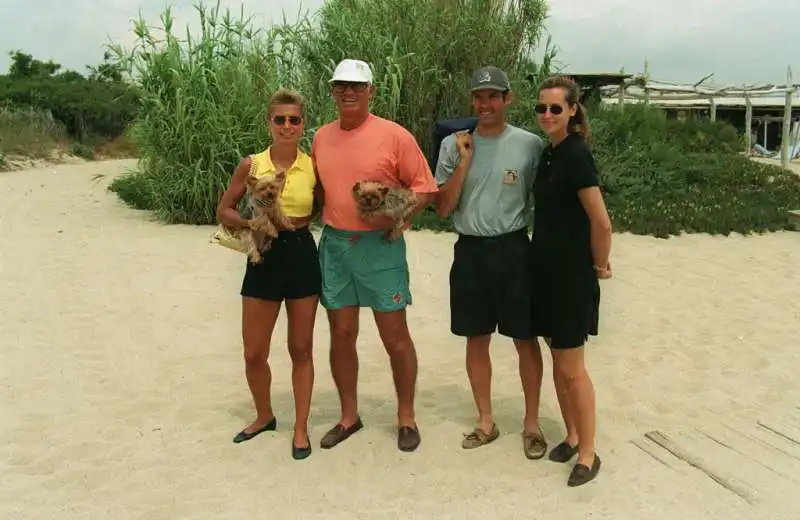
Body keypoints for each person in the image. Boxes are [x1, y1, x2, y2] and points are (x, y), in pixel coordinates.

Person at [311, 58, 438, 452]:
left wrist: (399, 223)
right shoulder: (320, 137)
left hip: (380, 250)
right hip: (335, 246)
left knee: (395, 336)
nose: (349, 92)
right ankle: (349, 417)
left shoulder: (395, 136)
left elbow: (426, 189)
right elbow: (318, 192)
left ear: (371, 91)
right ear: (332, 91)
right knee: (342, 334)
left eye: (357, 86)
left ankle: (406, 418)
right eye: (341, 86)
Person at [433, 66, 547, 459]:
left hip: (515, 249)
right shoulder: (453, 144)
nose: (485, 104)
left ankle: (531, 425)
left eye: (493, 96)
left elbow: (547, 200)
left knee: (525, 339)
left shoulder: (531, 144)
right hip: (470, 250)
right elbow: (444, 208)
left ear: (507, 99)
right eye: (479, 97)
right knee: (475, 338)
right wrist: (463, 162)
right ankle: (486, 422)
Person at [216, 88, 321, 460]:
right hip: (264, 251)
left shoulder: (313, 164)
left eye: (294, 119)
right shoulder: (252, 164)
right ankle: (264, 416)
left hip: (301, 253)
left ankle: (301, 428)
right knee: (253, 352)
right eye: (280, 119)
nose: (287, 126)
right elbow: (224, 209)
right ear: (269, 123)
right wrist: (251, 224)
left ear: (303, 124)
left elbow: (329, 205)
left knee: (301, 348)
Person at [529, 75, 613, 487]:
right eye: (541, 108)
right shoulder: (550, 153)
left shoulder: (577, 155)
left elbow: (602, 221)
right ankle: (572, 434)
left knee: (572, 367)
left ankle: (588, 452)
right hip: (543, 272)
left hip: (570, 276)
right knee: (558, 361)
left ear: (573, 110)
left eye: (555, 109)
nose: (547, 115)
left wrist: (600, 265)